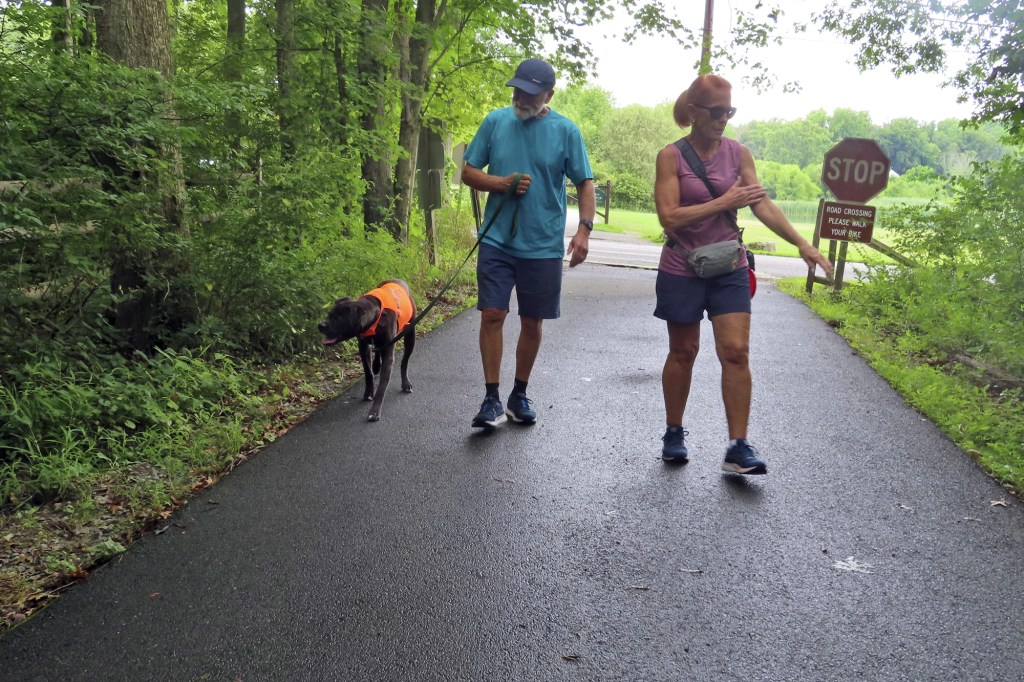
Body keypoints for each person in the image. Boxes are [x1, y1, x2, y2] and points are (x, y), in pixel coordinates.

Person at [653, 74, 833, 473]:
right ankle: (674, 432)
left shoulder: (739, 154)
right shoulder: (671, 156)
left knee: (735, 352)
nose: (724, 118)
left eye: (730, 111)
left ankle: (738, 447)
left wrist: (802, 244)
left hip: (729, 266)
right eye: (717, 111)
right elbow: (669, 217)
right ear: (695, 112)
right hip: (682, 266)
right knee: (684, 351)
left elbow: (761, 204)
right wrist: (725, 200)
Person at [461, 58, 596, 428]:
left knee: (532, 321)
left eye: (530, 92)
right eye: (517, 89)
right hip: (497, 239)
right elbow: (468, 172)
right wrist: (501, 183)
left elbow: (585, 183)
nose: (521, 97)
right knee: (492, 314)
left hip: (543, 244)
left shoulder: (566, 130)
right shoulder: (495, 122)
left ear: (548, 95)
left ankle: (518, 395)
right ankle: (490, 398)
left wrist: (584, 229)